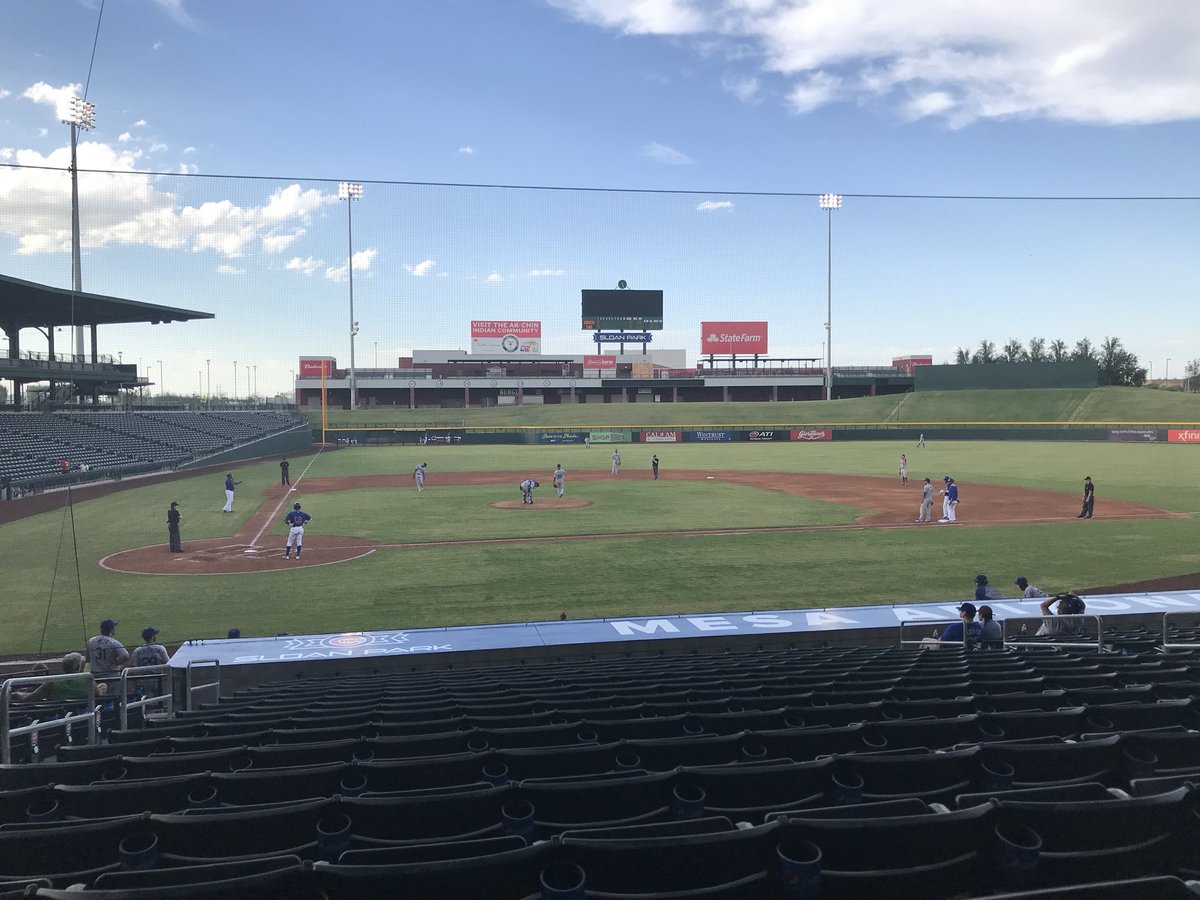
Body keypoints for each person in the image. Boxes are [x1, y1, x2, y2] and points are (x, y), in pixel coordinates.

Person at [11, 653, 91, 703]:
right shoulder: (89, 680)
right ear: (78, 667)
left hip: (58, 718)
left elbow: (31, 697)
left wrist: (18, 694)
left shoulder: (52, 683)